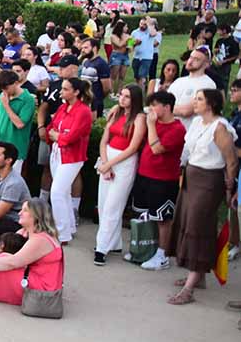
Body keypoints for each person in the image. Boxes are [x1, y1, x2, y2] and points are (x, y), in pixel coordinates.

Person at [167, 89, 238, 305]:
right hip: (192, 176)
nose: (193, 102)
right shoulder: (198, 123)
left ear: (210, 104)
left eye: (199, 99)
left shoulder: (220, 128)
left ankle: (190, 287)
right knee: (187, 222)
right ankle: (198, 276)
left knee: (198, 227)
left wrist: (229, 187)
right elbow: (189, 150)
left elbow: (231, 160)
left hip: (209, 181)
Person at [133, 90, 187, 271]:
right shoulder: (153, 123)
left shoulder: (177, 129)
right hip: (144, 175)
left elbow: (157, 149)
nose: (152, 109)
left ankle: (162, 255)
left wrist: (151, 125)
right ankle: (145, 248)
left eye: (155, 105)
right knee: (146, 214)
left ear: (167, 107)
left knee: (163, 219)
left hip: (163, 180)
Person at [94, 83, 147, 265]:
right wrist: (105, 163)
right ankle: (113, 242)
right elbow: (104, 139)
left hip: (124, 162)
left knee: (113, 206)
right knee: (102, 204)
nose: (122, 99)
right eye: (121, 96)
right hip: (108, 156)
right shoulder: (116, 112)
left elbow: (133, 147)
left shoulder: (140, 118)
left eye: (127, 97)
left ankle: (101, 248)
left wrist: (110, 164)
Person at [47, 78, 93, 244]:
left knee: (57, 192)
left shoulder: (83, 111)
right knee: (63, 192)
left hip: (72, 156)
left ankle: (62, 233)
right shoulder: (63, 107)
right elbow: (50, 127)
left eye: (65, 89)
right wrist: (57, 136)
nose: (61, 92)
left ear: (76, 92)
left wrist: (57, 136)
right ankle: (69, 227)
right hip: (57, 153)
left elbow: (71, 137)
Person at [0, 70, 35, 175]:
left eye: (6, 88)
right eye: (2, 89)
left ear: (15, 83)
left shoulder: (28, 99)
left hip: (15, 150)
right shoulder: (2, 95)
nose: (4, 91)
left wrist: (6, 106)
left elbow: (20, 124)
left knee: (10, 181)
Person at [169, 46, 216, 128]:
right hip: (170, 130)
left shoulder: (207, 84)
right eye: (191, 57)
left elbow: (186, 111)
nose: (190, 61)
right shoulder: (178, 81)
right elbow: (162, 103)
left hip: (189, 132)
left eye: (197, 59)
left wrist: (165, 109)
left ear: (206, 64)